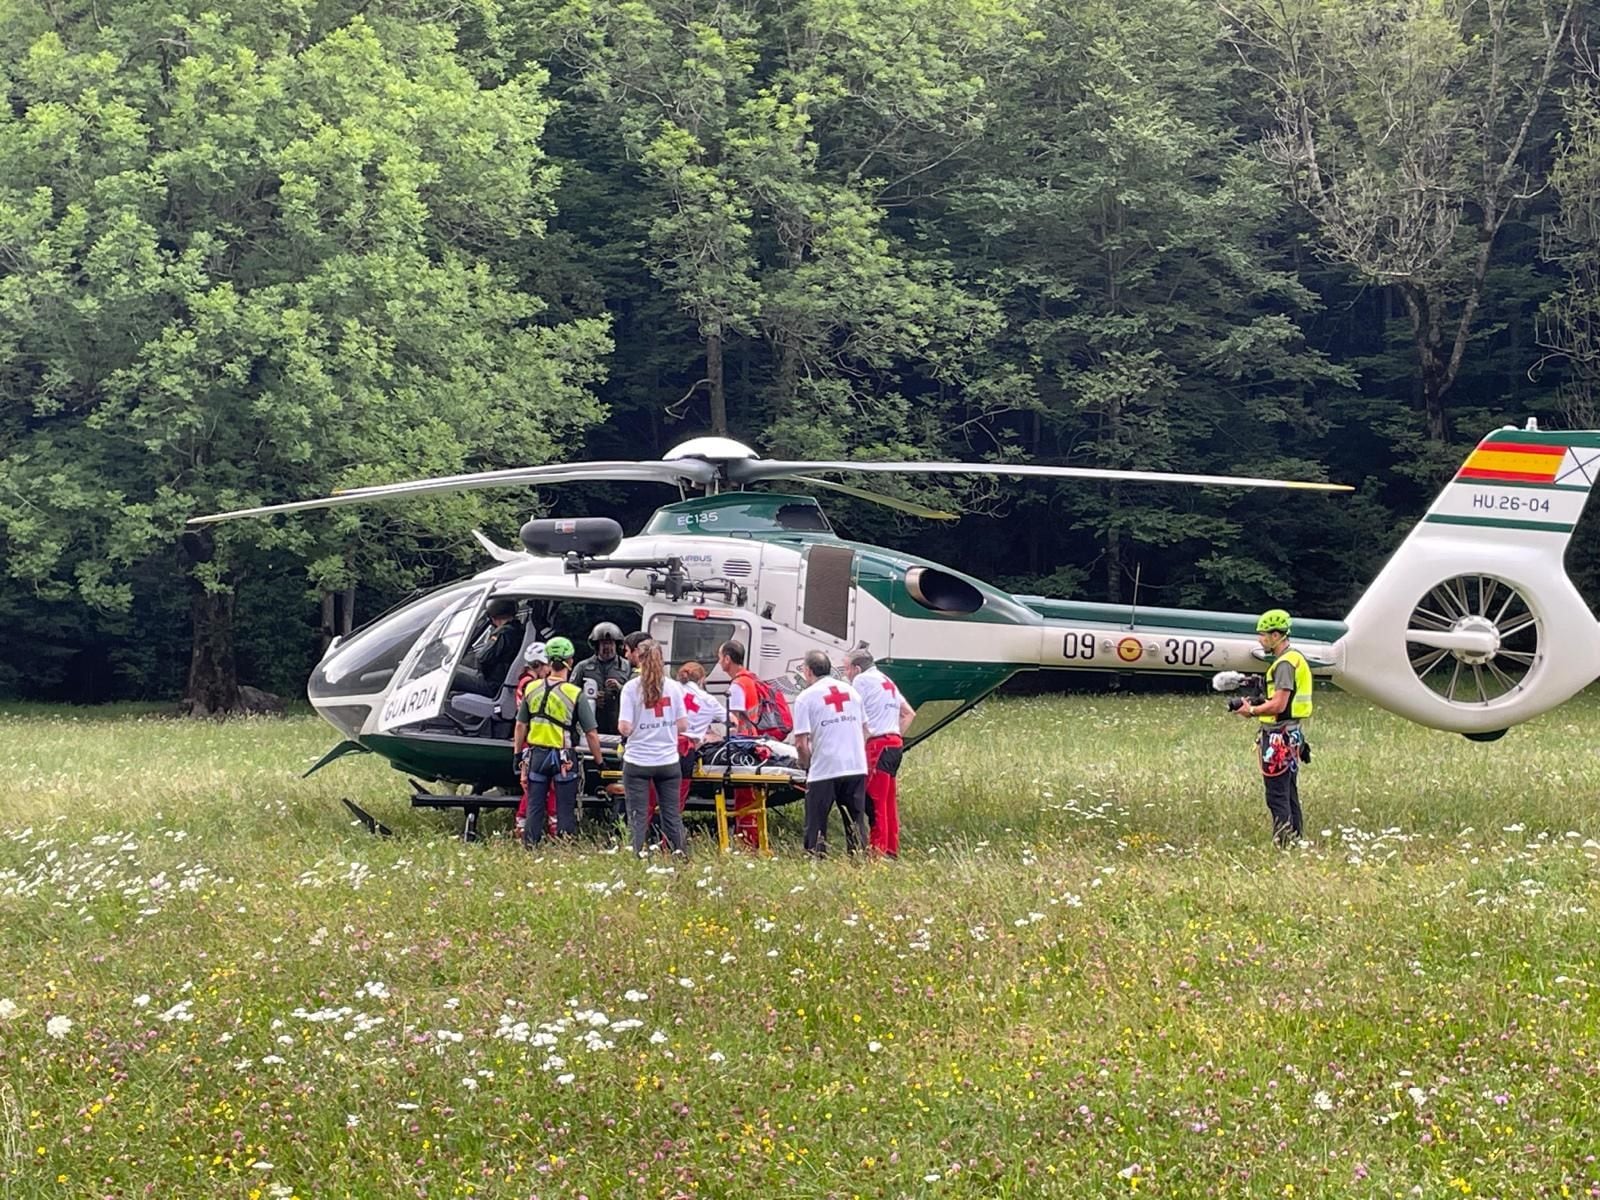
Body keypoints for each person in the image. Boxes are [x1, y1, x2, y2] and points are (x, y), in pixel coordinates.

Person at [1232, 608, 1313, 846]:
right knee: (1289, 791)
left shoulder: (1285, 664)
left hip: (1279, 738)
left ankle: (1283, 844)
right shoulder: (1294, 658)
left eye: (1263, 635)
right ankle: (1296, 839)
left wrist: (1252, 710)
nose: (1260, 639)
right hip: (1292, 735)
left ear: (1276, 636)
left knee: (1277, 794)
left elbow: (1279, 704)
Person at [514, 636, 604, 846]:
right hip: (563, 758)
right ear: (570, 661)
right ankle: (564, 845)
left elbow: (520, 726)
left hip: (536, 755)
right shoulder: (574, 693)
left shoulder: (531, 688)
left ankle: (530, 845)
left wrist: (517, 755)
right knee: (564, 807)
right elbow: (591, 733)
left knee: (535, 805)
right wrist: (600, 762)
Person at [791, 649, 869, 858]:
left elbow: (800, 743)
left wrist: (805, 764)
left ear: (807, 671)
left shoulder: (805, 698)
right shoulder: (851, 692)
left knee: (816, 824)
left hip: (825, 769)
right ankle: (859, 861)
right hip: (855, 766)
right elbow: (865, 729)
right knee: (855, 822)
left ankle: (816, 861)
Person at [617, 638, 690, 857]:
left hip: (638, 761)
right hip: (668, 761)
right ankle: (680, 855)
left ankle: (637, 856)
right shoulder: (674, 687)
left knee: (638, 815)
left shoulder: (631, 688)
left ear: (638, 659)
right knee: (672, 814)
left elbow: (624, 728)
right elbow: (683, 724)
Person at [844, 648, 915, 858]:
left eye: (846, 668)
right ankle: (891, 849)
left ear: (857, 668)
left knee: (875, 802)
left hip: (877, 745)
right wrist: (894, 733)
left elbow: (855, 715)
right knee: (888, 800)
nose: (846, 674)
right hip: (894, 744)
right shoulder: (886, 680)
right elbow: (909, 714)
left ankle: (877, 852)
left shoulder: (861, 681)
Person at [716, 639, 765, 848]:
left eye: (720, 658)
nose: (719, 662)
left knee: (743, 798)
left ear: (727, 659)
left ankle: (746, 843)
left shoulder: (737, 685)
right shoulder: (749, 680)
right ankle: (751, 839)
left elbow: (734, 721)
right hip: (752, 740)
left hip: (741, 745)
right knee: (751, 797)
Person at [674, 661, 727, 809]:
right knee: (677, 801)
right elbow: (732, 722)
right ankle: (668, 831)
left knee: (652, 797)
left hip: (663, 747)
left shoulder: (671, 690)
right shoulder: (708, 699)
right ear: (702, 679)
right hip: (685, 752)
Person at [511, 642, 550, 840]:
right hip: (533, 740)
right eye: (546, 665)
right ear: (539, 664)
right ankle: (523, 824)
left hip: (529, 739)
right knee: (536, 787)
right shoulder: (531, 684)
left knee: (534, 786)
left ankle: (524, 824)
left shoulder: (524, 681)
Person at [571, 621, 632, 735]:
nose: (607, 647)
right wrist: (589, 698)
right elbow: (570, 694)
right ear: (596, 645)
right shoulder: (582, 667)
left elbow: (636, 695)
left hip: (618, 725)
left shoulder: (627, 666)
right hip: (589, 726)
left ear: (617, 645)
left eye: (610, 643)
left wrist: (620, 688)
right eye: (604, 643)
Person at [455, 598, 523, 697]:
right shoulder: (518, 628)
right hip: (502, 680)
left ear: (494, 617)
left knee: (453, 676)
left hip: (492, 685)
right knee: (457, 669)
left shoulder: (503, 633)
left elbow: (482, 658)